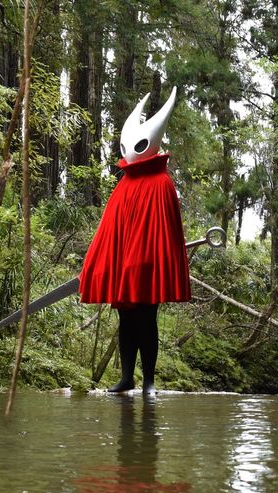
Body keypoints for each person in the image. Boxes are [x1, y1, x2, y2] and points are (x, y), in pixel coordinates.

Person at [79, 88, 190, 395]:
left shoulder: (161, 183)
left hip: (147, 267)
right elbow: (110, 231)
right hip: (124, 267)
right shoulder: (125, 185)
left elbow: (165, 232)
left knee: (146, 319)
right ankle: (127, 378)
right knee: (126, 319)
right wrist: (96, 264)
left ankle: (149, 382)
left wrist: (152, 262)